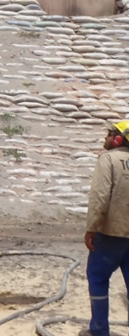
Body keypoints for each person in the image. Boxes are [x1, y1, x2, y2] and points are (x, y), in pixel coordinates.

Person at [82, 120, 129, 336]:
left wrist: (91, 228)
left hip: (110, 235)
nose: (106, 138)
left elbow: (100, 198)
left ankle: (99, 331)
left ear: (119, 138)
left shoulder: (108, 160)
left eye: (110, 134)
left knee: (98, 278)